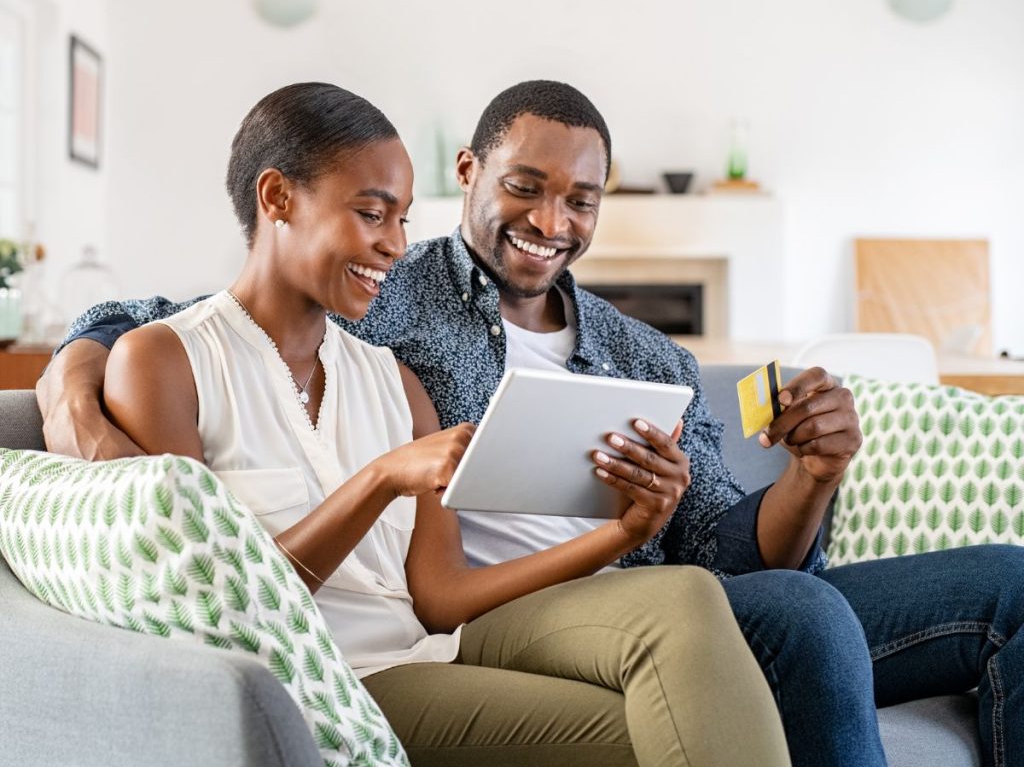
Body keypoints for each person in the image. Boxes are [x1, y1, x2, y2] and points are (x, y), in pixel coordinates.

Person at [41, 81, 1024, 767]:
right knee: (791, 616)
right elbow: (218, 305)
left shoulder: (647, 358)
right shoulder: (396, 296)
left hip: (628, 591)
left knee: (1004, 586)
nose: (552, 221)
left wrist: (811, 475)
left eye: (580, 200)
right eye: (524, 187)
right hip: (494, 624)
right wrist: (79, 366)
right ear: (468, 172)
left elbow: (723, 546)